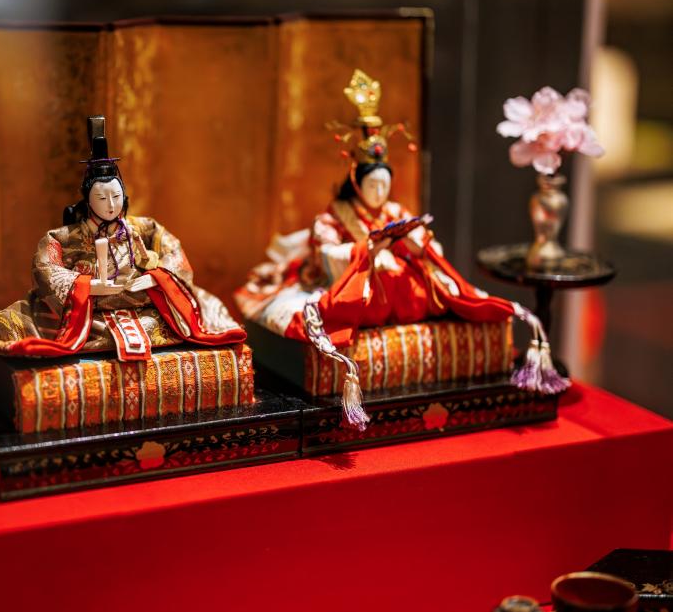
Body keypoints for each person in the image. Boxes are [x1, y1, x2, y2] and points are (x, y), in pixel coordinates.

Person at [234, 70, 567, 426]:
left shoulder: (395, 210)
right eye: (372, 185)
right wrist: (368, 250)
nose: (380, 193)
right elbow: (328, 253)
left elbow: (427, 244)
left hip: (397, 282)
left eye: (384, 185)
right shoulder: (333, 217)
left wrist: (412, 239)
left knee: (425, 286)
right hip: (359, 282)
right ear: (356, 183)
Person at [0, 116, 246, 361]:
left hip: (144, 304)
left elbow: (174, 253)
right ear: (87, 200)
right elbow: (45, 269)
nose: (110, 205)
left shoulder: (144, 227)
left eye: (116, 196)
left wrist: (155, 278)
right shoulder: (65, 237)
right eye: (101, 198)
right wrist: (87, 287)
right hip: (90, 310)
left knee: (207, 308)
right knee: (20, 323)